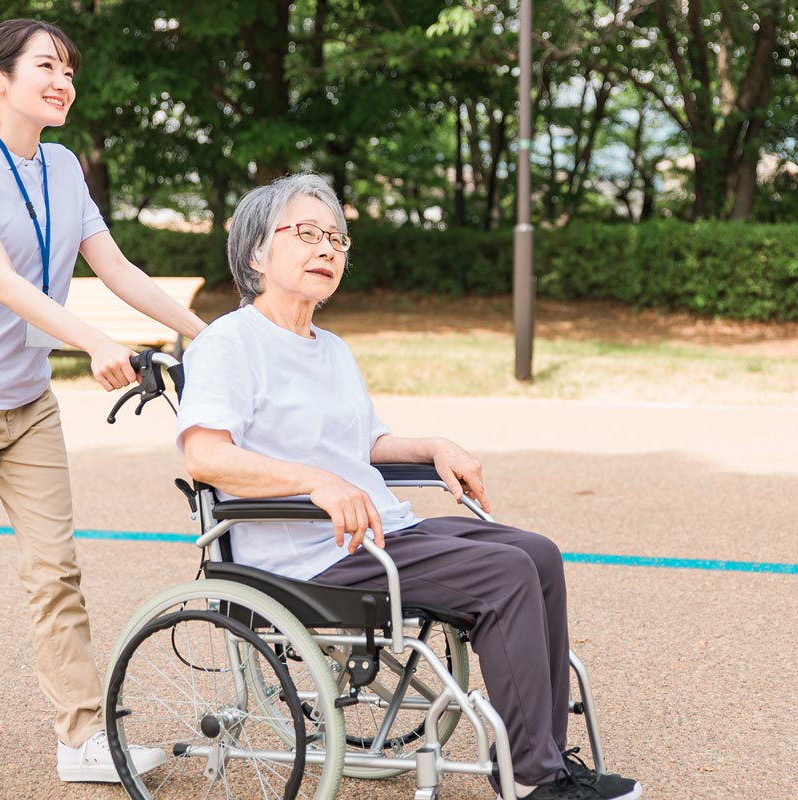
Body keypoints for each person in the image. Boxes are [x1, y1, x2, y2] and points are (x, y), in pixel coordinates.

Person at [176, 173, 642, 800]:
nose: (327, 250)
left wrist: (432, 447)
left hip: (375, 532)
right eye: (307, 234)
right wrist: (316, 481)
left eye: (338, 239)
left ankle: (546, 757)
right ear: (257, 252)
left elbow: (365, 447)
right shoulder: (228, 342)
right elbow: (206, 456)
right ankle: (534, 781)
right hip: (306, 555)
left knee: (537, 554)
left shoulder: (331, 348)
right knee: (502, 576)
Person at [0, 19, 204, 783]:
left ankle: (81, 738)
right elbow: (2, 280)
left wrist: (210, 333)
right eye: (46, 66)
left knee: (55, 571)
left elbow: (117, 266)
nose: (63, 79)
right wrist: (95, 343)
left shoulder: (64, 167)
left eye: (69, 69)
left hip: (27, 405)